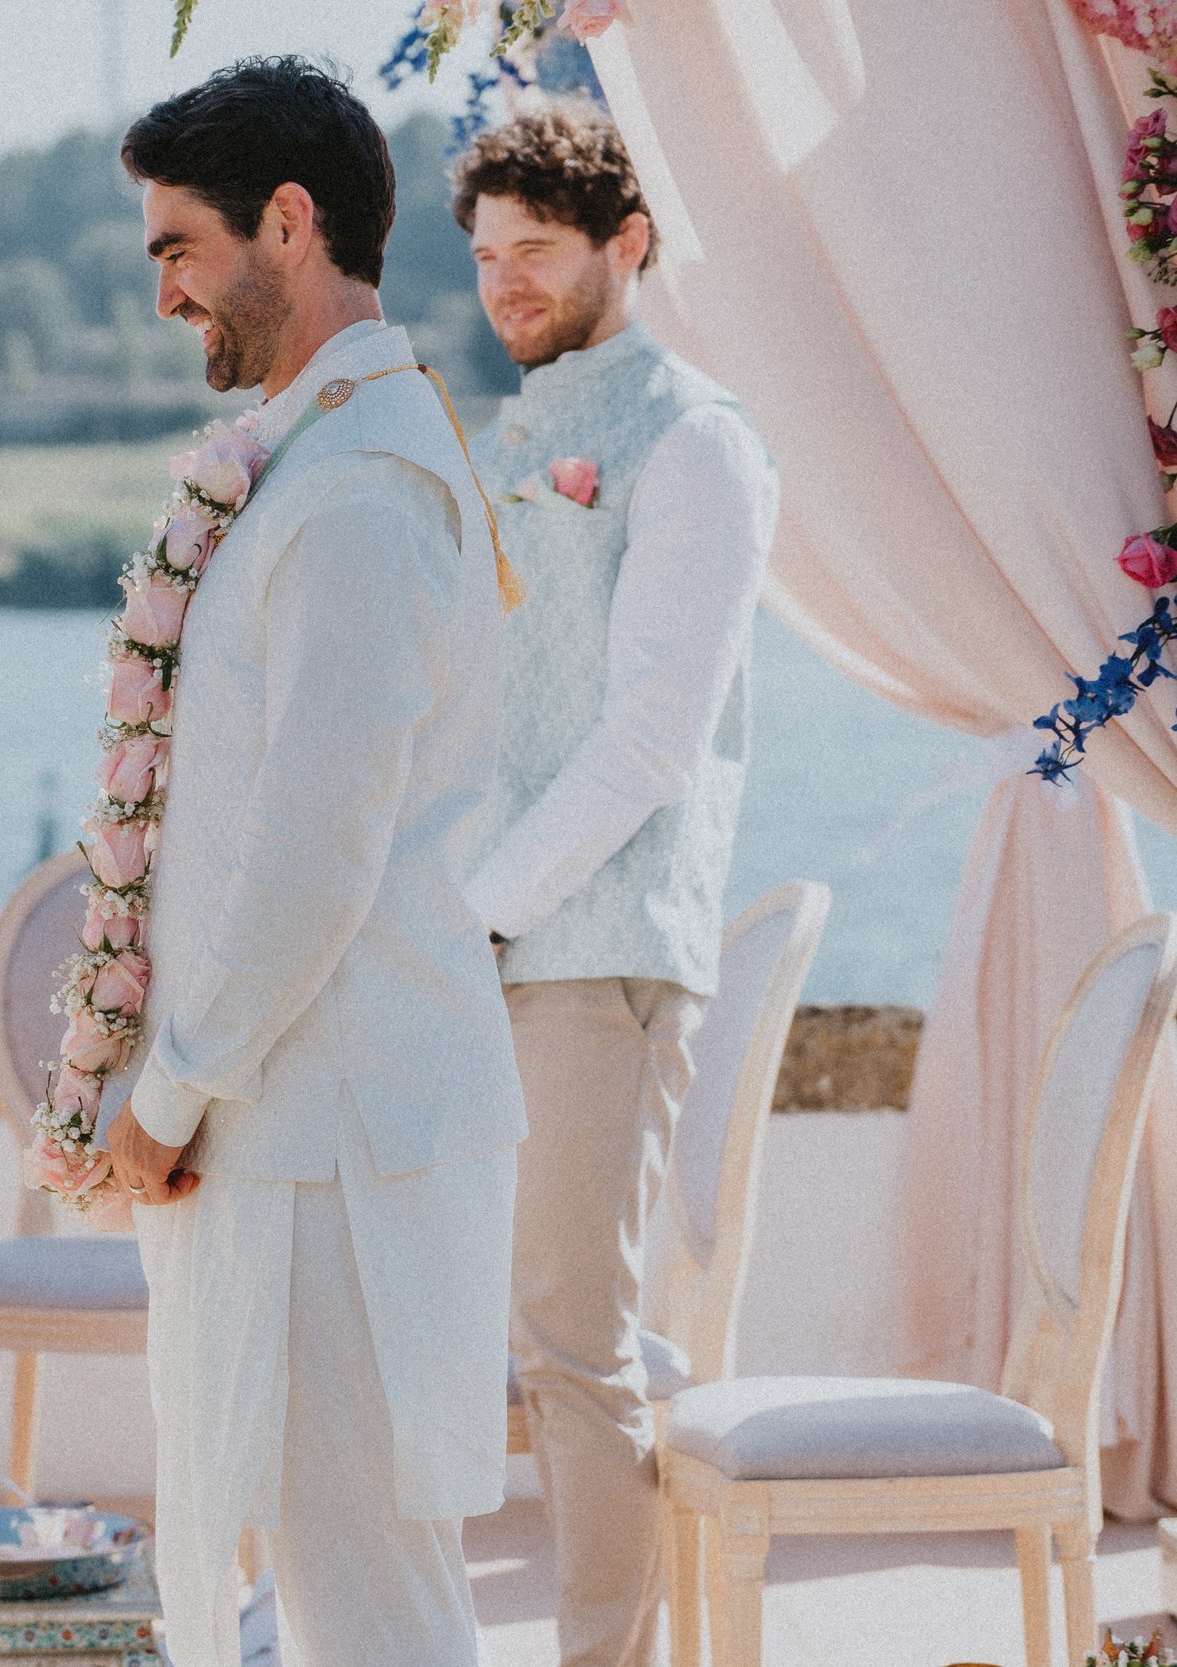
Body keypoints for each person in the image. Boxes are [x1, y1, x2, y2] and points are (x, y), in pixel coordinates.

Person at [96, 57, 528, 1667]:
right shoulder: (323, 453)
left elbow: (320, 840)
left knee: (374, 1603)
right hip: (316, 1114)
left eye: (179, 247)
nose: (165, 296)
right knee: (331, 1586)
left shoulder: (355, 485)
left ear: (289, 221)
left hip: (348, 1123)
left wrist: (170, 1086)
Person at [454, 104, 777, 1667]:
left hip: (596, 941)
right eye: (487, 256)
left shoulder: (698, 439)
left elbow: (650, 738)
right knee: (502, 1334)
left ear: (626, 245)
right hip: (486, 933)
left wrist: (478, 906)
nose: (506, 282)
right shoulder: (522, 431)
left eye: (538, 250)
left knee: (577, 1342)